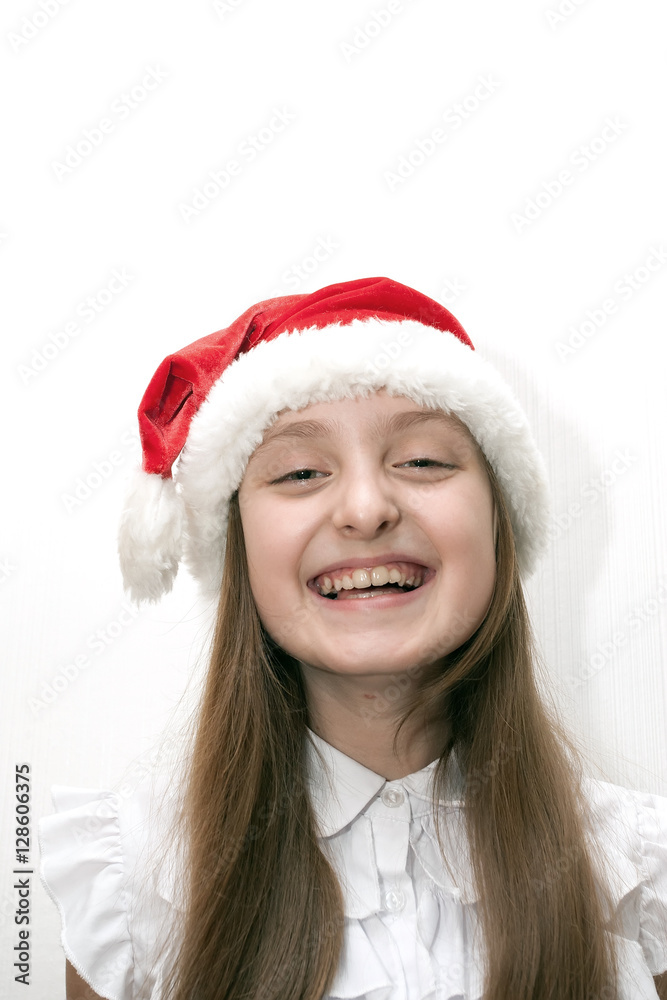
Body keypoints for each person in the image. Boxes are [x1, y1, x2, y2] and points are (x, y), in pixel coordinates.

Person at [39, 277, 667, 1000]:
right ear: (239, 544)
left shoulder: (639, 878)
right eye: (300, 472)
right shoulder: (132, 887)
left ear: (499, 521)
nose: (366, 509)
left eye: (423, 461)